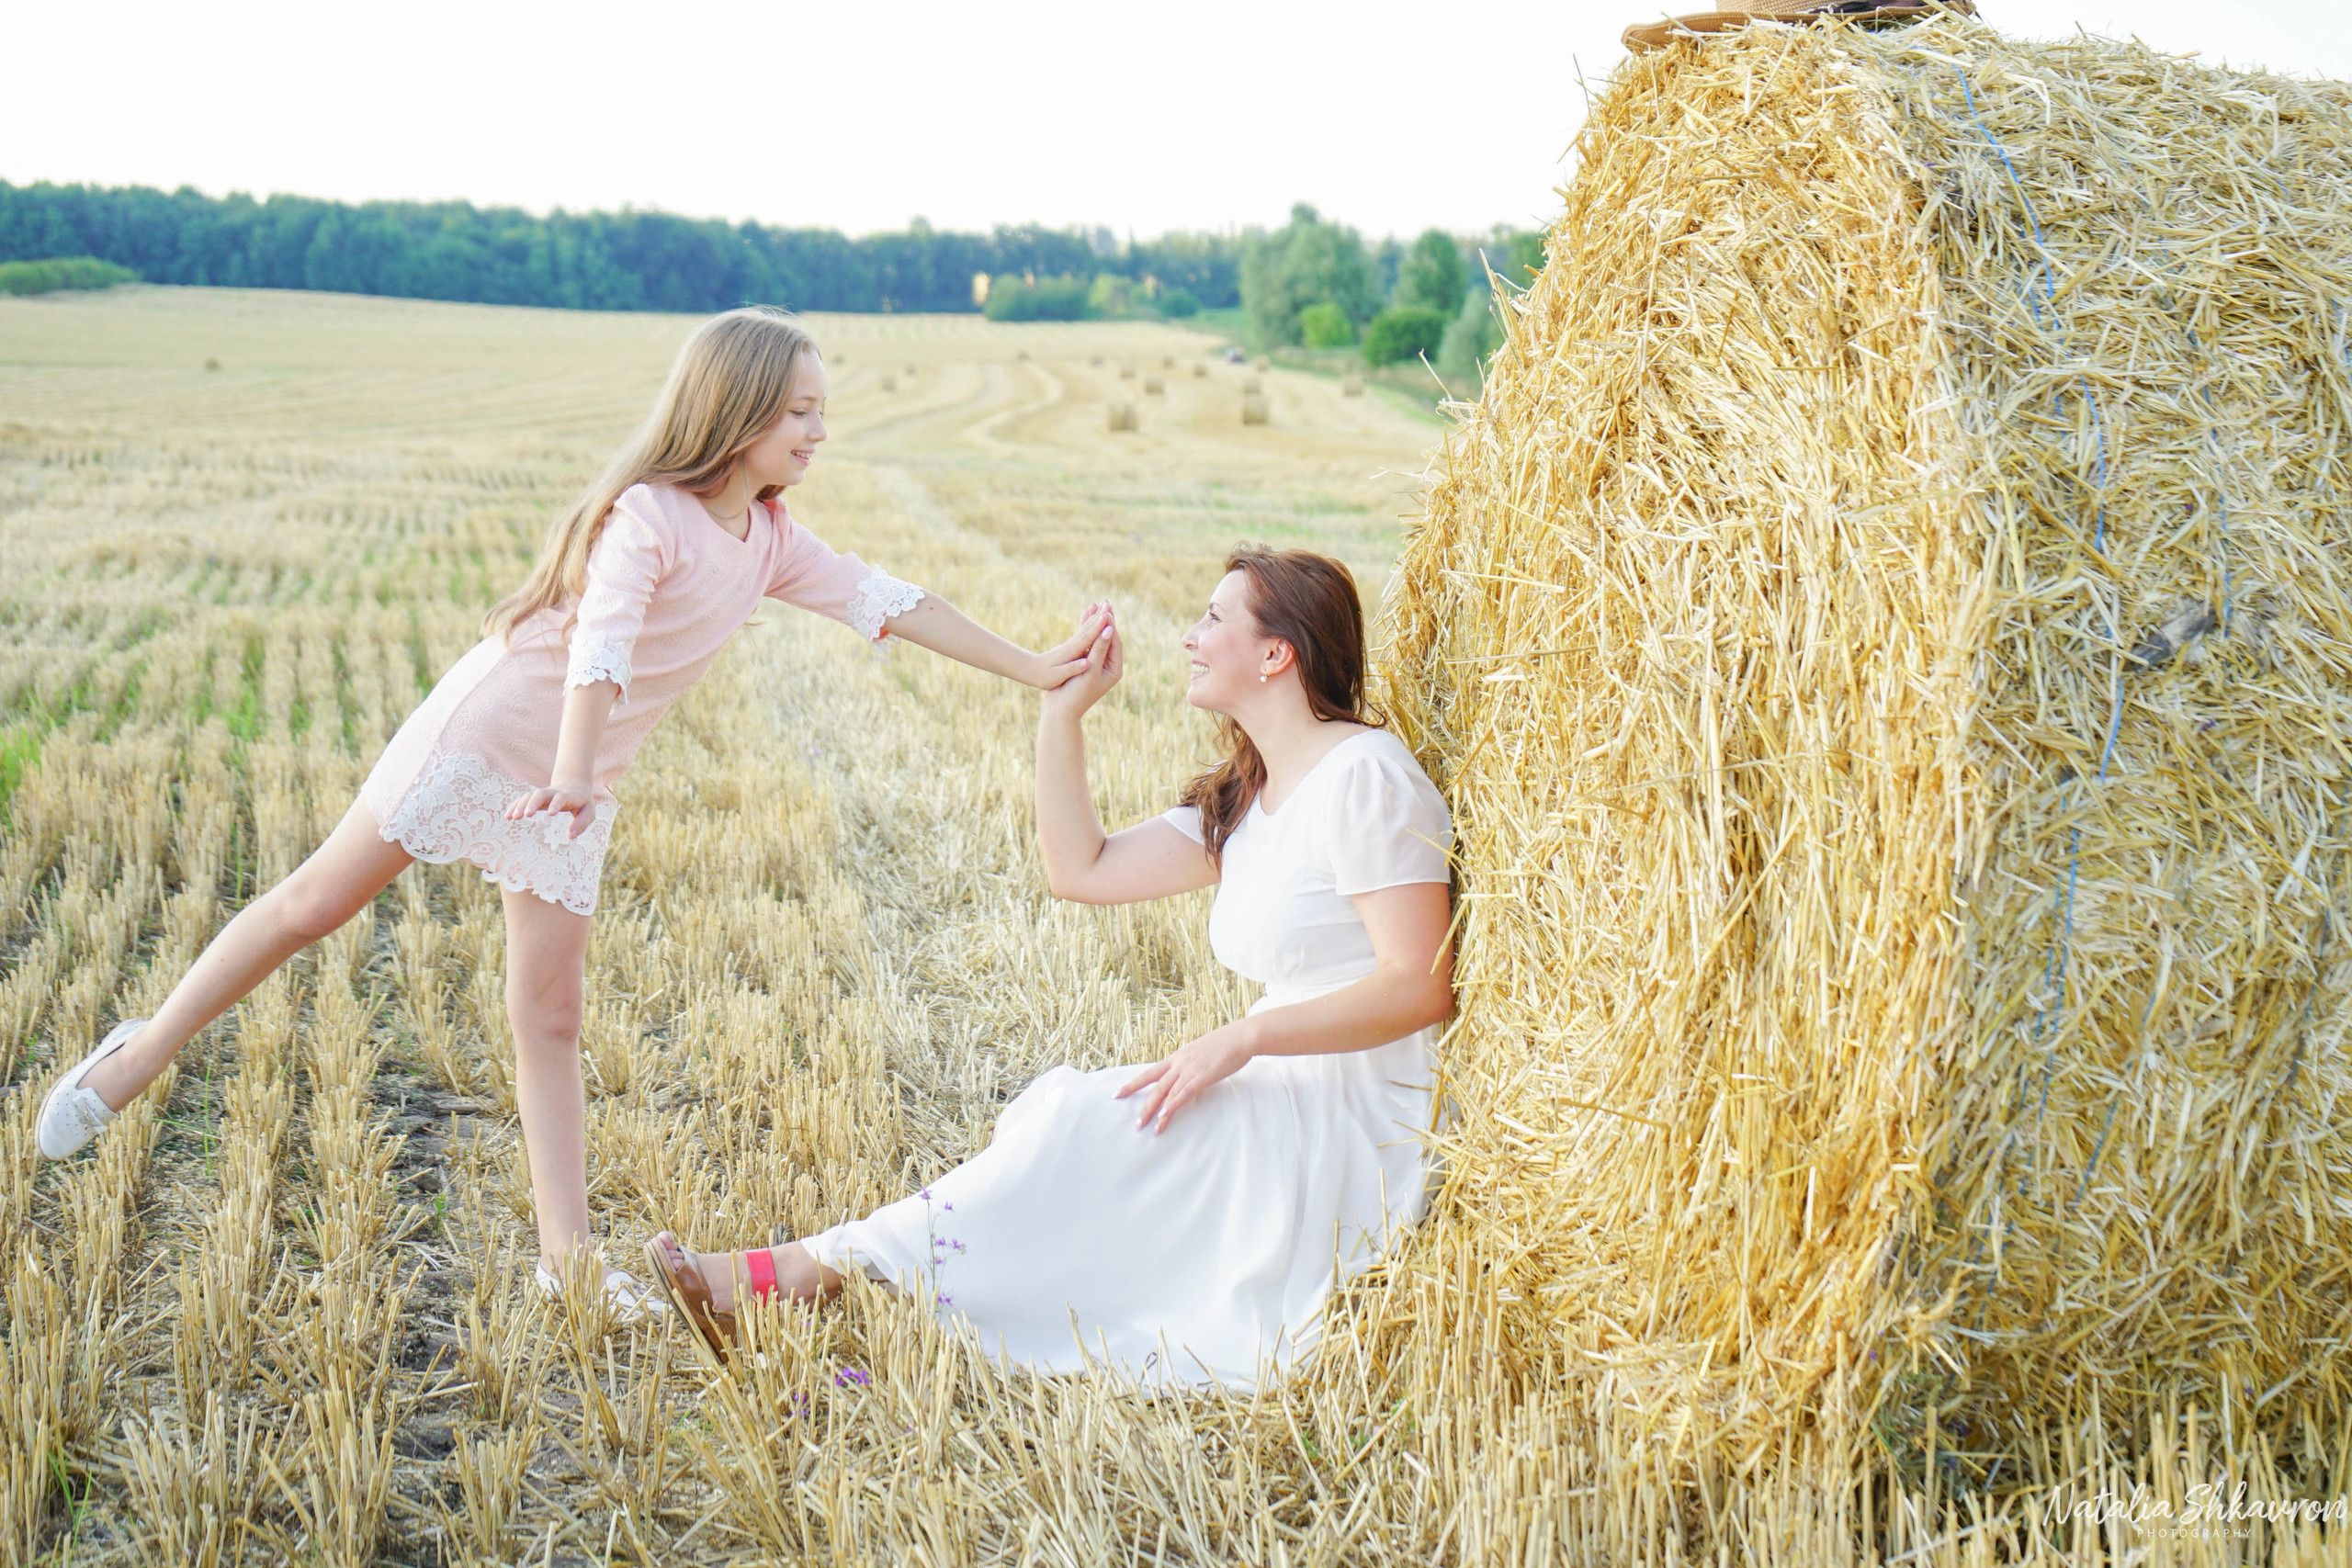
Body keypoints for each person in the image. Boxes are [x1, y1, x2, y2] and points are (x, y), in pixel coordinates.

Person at [37, 307, 1111, 1315]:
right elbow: (599, 644)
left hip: (573, 773)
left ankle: (568, 1262)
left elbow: (889, 600)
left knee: (549, 1012)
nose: (820, 431)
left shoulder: (770, 539)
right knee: (315, 904)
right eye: (800, 412)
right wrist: (576, 768)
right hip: (500, 735)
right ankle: (137, 1053)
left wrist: (1032, 669)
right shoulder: (649, 516)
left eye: (821, 410)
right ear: (733, 413)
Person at [645, 547, 1454, 1387]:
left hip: (1358, 1115)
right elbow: (1083, 869)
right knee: (1067, 1122)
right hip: (1283, 1080)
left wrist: (1243, 1039)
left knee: (1088, 1128)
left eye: (1214, 619)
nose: (1189, 636)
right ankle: (803, 1272)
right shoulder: (1250, 795)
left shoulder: (1364, 777)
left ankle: (788, 1276)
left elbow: (1419, 984)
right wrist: (1061, 714)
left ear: (1276, 653)